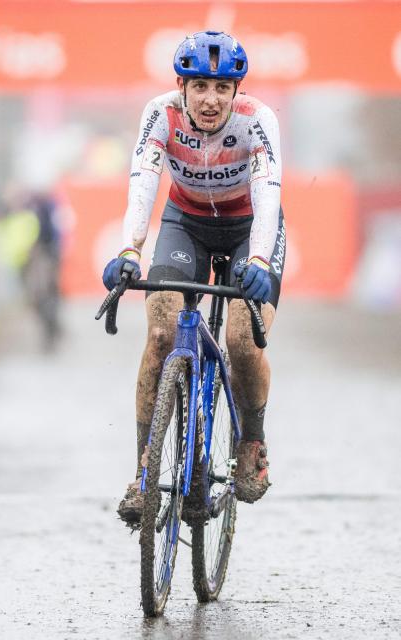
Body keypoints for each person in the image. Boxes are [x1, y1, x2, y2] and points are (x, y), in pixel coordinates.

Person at [102, 31, 286, 524]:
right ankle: (145, 473)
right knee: (162, 333)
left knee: (243, 340)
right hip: (186, 224)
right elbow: (143, 180)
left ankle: (251, 440)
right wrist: (129, 249)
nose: (210, 99)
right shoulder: (160, 113)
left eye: (222, 88)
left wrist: (262, 262)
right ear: (181, 86)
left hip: (250, 230)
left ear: (236, 91)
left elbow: (268, 192)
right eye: (200, 85)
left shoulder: (257, 121)